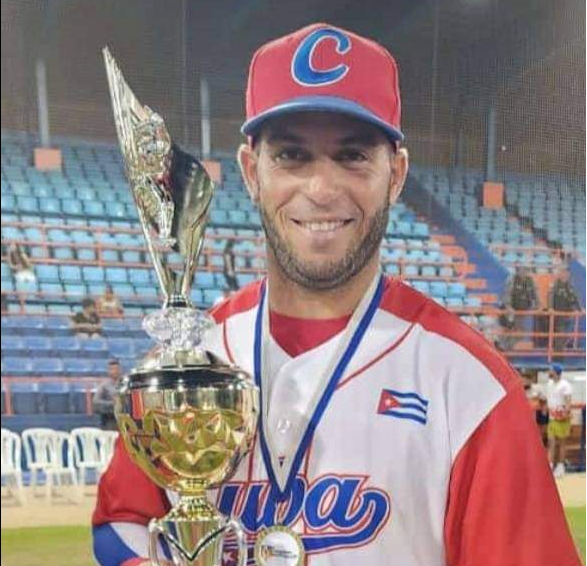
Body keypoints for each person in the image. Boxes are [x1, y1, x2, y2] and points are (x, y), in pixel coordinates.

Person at [92, 23, 580, 566]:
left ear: (395, 175)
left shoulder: (469, 384)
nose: (321, 190)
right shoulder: (192, 361)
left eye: (352, 156)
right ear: (252, 171)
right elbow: (122, 522)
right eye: (292, 157)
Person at [546, 363, 573, 478]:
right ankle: (550, 465)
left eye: (550, 370)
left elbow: (568, 402)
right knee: (551, 441)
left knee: (562, 443)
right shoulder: (549, 383)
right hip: (552, 417)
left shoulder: (565, 385)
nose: (548, 372)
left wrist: (564, 414)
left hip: (562, 418)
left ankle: (561, 466)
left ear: (556, 372)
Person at [502, 265, 538, 347]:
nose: (524, 272)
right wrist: (508, 306)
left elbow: (535, 294)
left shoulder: (530, 280)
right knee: (509, 329)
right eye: (523, 270)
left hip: (522, 310)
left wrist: (537, 305)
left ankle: (505, 347)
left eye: (526, 270)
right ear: (518, 270)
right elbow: (507, 293)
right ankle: (503, 346)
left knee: (520, 332)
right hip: (511, 310)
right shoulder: (512, 279)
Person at [548, 267, 581, 352]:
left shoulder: (570, 286)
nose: (565, 275)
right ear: (560, 274)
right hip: (558, 314)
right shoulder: (555, 284)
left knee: (567, 334)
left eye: (567, 273)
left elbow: (575, 298)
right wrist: (550, 308)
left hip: (569, 314)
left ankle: (560, 350)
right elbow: (550, 297)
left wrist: (580, 309)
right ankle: (558, 353)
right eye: (563, 272)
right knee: (560, 334)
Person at [93, 359, 122, 431]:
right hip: (110, 421)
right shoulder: (104, 386)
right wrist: (114, 404)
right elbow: (96, 402)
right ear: (108, 371)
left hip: (124, 420)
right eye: (112, 369)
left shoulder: (125, 383)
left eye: (117, 369)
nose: (115, 371)